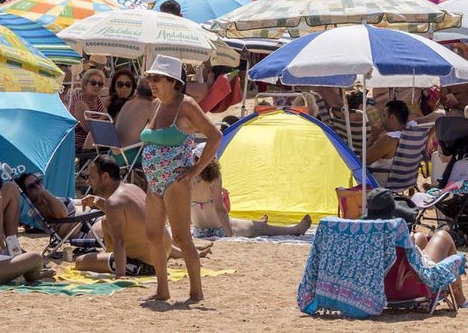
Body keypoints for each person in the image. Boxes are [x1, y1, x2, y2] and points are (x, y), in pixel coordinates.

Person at [139, 54, 222, 303]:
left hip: (176, 180)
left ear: (173, 81)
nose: (152, 83)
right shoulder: (156, 104)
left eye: (157, 78)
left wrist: (195, 170)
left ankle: (196, 291)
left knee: (181, 237)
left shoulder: (185, 105)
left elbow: (214, 135)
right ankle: (163, 288)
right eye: (150, 78)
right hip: (154, 180)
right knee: (153, 234)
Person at [73, 155, 210, 277]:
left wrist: (120, 275)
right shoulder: (132, 188)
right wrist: (97, 201)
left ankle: (117, 263)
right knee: (110, 221)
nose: (88, 182)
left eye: (91, 177)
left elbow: (119, 241)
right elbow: (131, 217)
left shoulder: (113, 203)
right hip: (162, 255)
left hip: (145, 266)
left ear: (105, 177)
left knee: (80, 261)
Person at [363, 188, 468, 308]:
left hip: (377, 288)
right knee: (443, 236)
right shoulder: (401, 235)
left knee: (420, 237)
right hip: (411, 288)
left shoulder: (362, 236)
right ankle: (459, 299)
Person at [190, 154, 311, 239]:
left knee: (244, 223)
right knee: (261, 228)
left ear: (195, 160)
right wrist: (229, 235)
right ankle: (294, 230)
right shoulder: (215, 177)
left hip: (199, 231)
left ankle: (257, 223)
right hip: (219, 229)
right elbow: (219, 209)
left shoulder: (187, 178)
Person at [364, 100, 414, 177]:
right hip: (405, 180)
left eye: (384, 116)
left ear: (392, 117)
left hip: (379, 181)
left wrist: (373, 136)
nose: (382, 120)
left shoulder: (391, 138)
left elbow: (362, 161)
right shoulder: (411, 134)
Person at [69, 67, 107, 151]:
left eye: (100, 84)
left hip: (96, 143)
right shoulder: (80, 102)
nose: (97, 86)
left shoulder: (97, 98)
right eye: (93, 83)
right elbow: (90, 130)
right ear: (85, 84)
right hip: (81, 146)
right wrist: (106, 113)